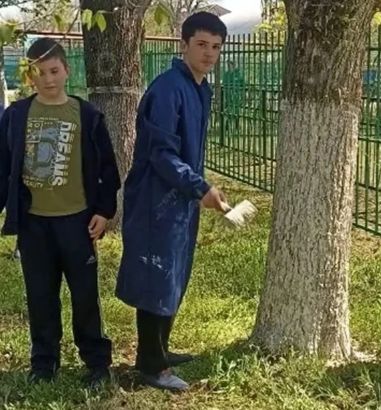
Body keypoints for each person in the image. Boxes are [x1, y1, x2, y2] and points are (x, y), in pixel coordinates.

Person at [115, 12, 228, 391]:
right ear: (184, 44)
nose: (209, 53)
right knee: (156, 276)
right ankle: (151, 365)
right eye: (201, 44)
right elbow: (161, 154)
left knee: (173, 274)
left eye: (216, 47)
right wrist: (200, 188)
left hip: (179, 198)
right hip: (155, 198)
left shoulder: (199, 88)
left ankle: (160, 348)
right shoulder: (167, 89)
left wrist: (196, 189)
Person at [0, 38, 120, 387]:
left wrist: (104, 210)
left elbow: (108, 168)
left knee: (85, 297)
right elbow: (3, 167)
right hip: (34, 225)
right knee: (40, 296)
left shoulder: (87, 115)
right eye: (39, 72)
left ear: (66, 70)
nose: (48, 79)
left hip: (77, 223)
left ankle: (96, 362)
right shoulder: (16, 116)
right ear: (29, 76)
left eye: (54, 70)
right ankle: (44, 363)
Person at [222, 60, 244, 133]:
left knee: (236, 110)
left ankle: (237, 125)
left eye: (230, 64)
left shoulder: (238, 74)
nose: (229, 66)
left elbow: (243, 85)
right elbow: (224, 85)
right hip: (228, 96)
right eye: (228, 65)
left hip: (236, 96)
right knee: (229, 110)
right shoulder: (226, 74)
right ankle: (227, 126)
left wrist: (242, 94)